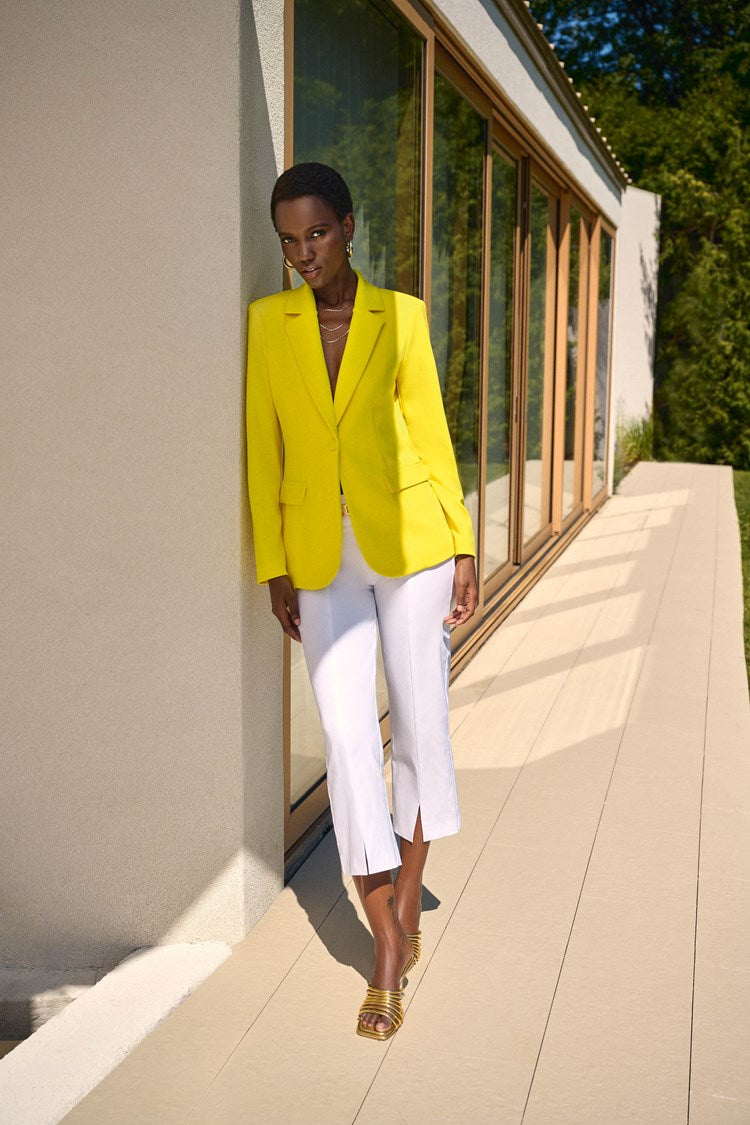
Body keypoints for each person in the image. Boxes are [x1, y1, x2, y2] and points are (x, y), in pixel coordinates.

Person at [245, 162, 477, 1040]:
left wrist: (460, 540)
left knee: (419, 721)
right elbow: (261, 447)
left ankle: (405, 902)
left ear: (349, 226)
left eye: (317, 234)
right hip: (317, 552)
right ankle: (387, 934)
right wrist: (275, 564)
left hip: (412, 542)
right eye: (289, 240)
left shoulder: (401, 315)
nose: (304, 253)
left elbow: (430, 430)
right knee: (347, 735)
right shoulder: (269, 325)